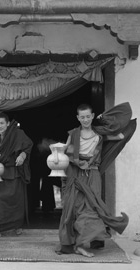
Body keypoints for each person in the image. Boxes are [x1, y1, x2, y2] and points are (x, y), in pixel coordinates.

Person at [56, 103, 131, 257]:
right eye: (82, 117)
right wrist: (70, 160)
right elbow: (66, 154)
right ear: (78, 118)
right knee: (75, 208)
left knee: (92, 208)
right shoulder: (74, 134)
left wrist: (104, 119)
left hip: (93, 174)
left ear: (92, 116)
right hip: (76, 175)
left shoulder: (99, 134)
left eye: (88, 116)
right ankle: (79, 245)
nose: (85, 119)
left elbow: (120, 135)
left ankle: (82, 243)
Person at [0, 112, 33, 238]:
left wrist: (22, 156)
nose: (0, 126)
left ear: (7, 124)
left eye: (2, 123)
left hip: (14, 171)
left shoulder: (18, 134)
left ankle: (16, 226)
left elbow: (28, 145)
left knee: (15, 200)